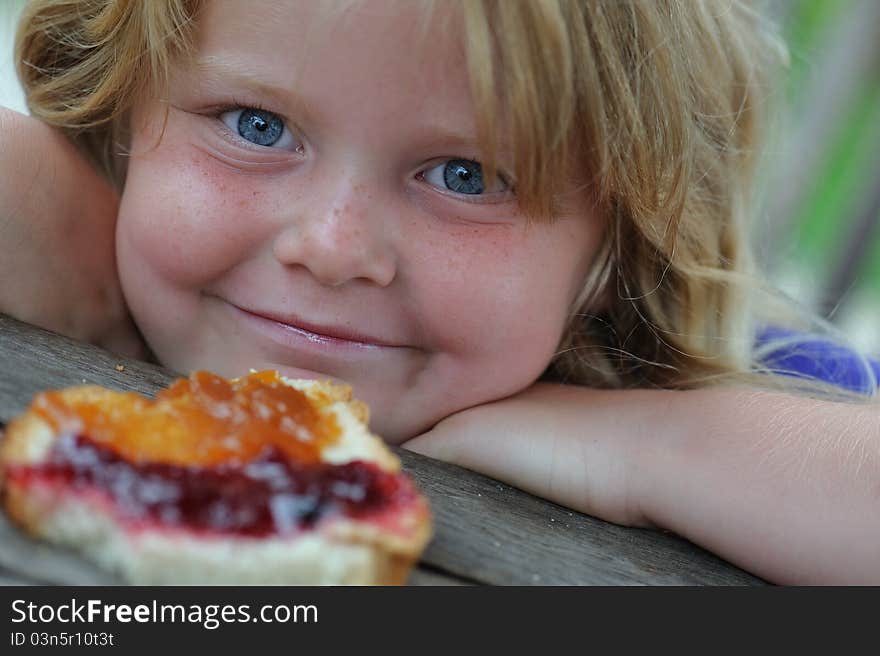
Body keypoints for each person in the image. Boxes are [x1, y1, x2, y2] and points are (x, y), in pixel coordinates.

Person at [1, 0, 878, 584]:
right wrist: (99, 269)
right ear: (121, 117)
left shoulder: (743, 388)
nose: (334, 250)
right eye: (255, 126)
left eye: (465, 175)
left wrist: (639, 443)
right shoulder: (124, 241)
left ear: (616, 253)